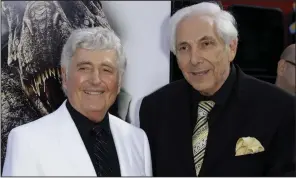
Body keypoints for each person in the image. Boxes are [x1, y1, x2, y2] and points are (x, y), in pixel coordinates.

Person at [140, 2, 295, 177]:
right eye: (184, 48)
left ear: (231, 48)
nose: (194, 59)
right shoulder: (155, 108)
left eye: (206, 44)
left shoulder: (281, 109)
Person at [2, 27, 152, 176]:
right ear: (65, 76)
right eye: (84, 68)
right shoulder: (26, 141)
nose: (95, 80)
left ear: (119, 82)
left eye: (106, 70)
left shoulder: (137, 140)